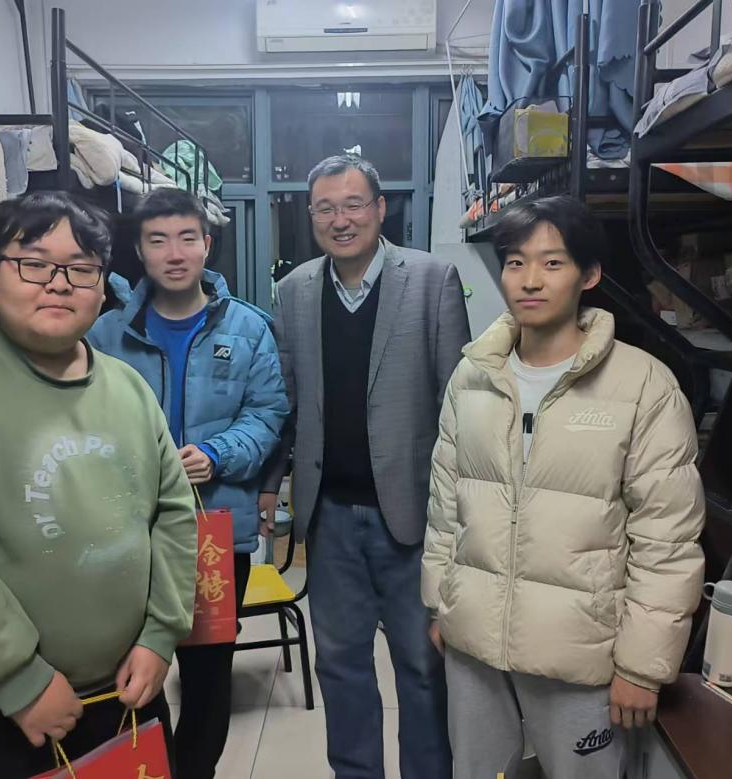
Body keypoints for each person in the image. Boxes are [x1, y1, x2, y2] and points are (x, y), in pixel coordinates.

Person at [0, 191, 198, 779]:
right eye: (34, 263)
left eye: (80, 268)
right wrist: (19, 679)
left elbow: (174, 516)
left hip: (126, 690)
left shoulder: (128, 388)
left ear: (102, 286)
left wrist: (160, 636)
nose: (58, 283)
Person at [422, 195, 706, 779]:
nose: (530, 280)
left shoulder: (642, 386)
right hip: (475, 644)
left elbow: (667, 539)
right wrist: (442, 606)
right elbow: (447, 505)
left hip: (580, 651)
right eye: (515, 262)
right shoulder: (473, 375)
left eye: (552, 263)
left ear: (589, 274)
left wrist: (642, 666)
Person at [260, 154, 470, 779]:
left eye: (353, 204)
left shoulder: (432, 280)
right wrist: (271, 484)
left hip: (414, 516)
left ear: (380, 209)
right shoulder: (294, 290)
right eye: (325, 208)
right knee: (340, 666)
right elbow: (287, 399)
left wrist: (463, 514)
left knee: (423, 667)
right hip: (328, 519)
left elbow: (457, 406)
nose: (340, 219)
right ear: (311, 217)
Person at [88, 187, 288, 779]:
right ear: (139, 250)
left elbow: (268, 413)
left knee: (205, 679)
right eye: (158, 240)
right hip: (124, 531)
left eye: (186, 238)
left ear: (207, 244)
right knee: (125, 675)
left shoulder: (248, 328)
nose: (174, 254)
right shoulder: (106, 334)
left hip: (213, 533)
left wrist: (219, 454)